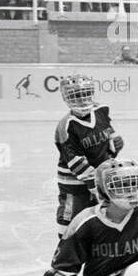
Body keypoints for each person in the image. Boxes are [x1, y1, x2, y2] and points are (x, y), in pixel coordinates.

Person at [53, 73, 124, 236]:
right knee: (71, 219)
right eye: (76, 96)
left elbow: (108, 130)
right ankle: (66, 251)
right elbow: (76, 162)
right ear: (66, 98)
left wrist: (115, 141)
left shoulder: (101, 110)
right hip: (74, 182)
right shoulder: (67, 126)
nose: (82, 100)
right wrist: (96, 185)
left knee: (102, 216)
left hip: (101, 176)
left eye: (85, 94)